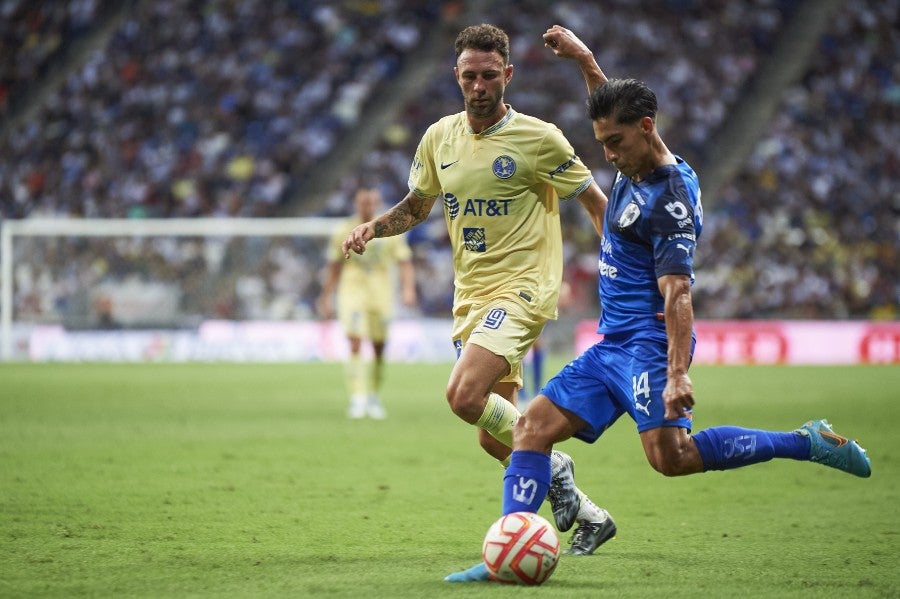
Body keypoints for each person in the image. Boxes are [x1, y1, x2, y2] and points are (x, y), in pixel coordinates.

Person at [446, 24, 872, 582]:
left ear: (646, 130)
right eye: (602, 142)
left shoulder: (668, 202)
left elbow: (678, 295)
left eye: (614, 142)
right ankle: (504, 554)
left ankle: (803, 441)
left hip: (649, 341)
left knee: (671, 458)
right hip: (612, 342)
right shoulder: (632, 151)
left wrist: (675, 374)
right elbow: (610, 103)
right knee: (530, 429)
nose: (607, 153)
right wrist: (584, 58)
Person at [342, 24, 616, 551]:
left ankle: (552, 471)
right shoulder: (439, 137)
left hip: (523, 289)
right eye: (469, 76)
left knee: (462, 394)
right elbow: (418, 207)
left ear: (507, 75)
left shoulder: (540, 138)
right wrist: (374, 228)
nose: (479, 86)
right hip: (470, 295)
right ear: (457, 77)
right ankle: (588, 513)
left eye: (489, 75)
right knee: (496, 437)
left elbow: (596, 205)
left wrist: (619, 271)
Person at [318, 186, 418, 419]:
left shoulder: (389, 228)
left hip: (381, 294)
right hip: (352, 293)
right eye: (363, 202)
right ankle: (357, 396)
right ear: (356, 203)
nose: (368, 206)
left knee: (379, 347)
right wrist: (325, 296)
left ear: (377, 203)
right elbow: (334, 266)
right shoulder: (343, 230)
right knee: (354, 340)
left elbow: (405, 262)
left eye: (372, 202)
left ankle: (373, 395)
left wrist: (408, 289)